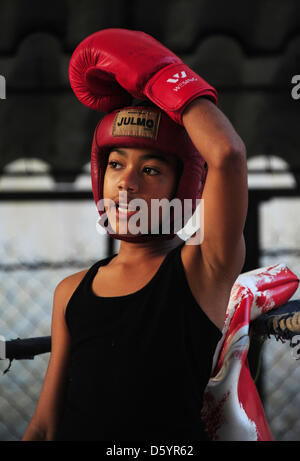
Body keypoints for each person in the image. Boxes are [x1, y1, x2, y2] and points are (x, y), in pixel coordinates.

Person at [22, 29, 248, 441]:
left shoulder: (202, 269)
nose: (126, 184)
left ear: (184, 186)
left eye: (150, 170)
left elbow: (227, 155)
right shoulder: (70, 291)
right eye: (115, 165)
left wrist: (163, 77)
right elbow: (43, 426)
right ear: (98, 176)